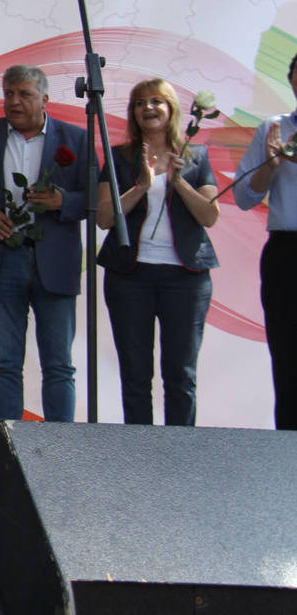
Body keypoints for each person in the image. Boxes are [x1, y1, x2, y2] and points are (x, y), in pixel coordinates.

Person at [0, 64, 88, 422]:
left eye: (24, 94)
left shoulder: (75, 139)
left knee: (59, 366)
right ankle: (9, 448)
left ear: (45, 99)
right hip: (2, 259)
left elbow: (96, 200)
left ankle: (60, 449)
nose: (14, 102)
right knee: (5, 365)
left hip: (55, 263)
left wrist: (64, 201)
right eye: (9, 94)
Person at [97, 78, 219, 426]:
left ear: (172, 109)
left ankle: (181, 451)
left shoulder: (195, 156)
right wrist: (142, 186)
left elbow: (209, 216)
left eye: (156, 101)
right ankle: (140, 452)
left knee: (181, 375)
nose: (147, 108)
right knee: (135, 375)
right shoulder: (119, 157)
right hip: (130, 277)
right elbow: (105, 218)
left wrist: (179, 182)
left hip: (186, 278)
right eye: (140, 103)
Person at [235, 52, 297, 430]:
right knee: (288, 356)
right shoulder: (274, 129)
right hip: (287, 253)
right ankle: (289, 446)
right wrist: (271, 168)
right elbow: (244, 197)